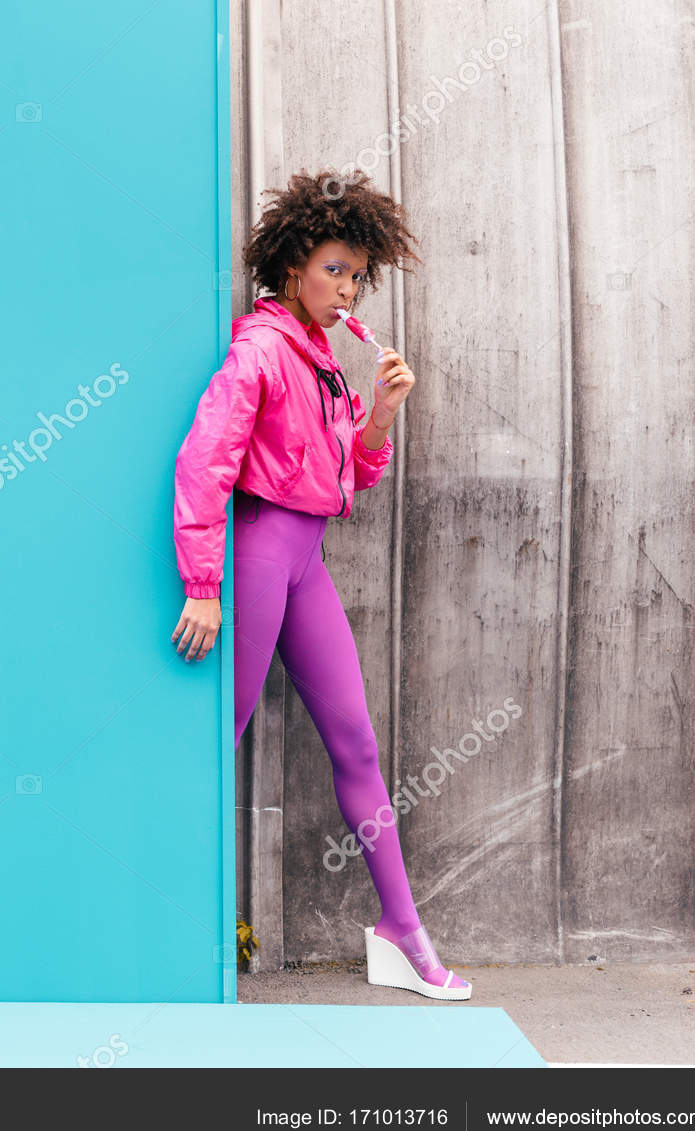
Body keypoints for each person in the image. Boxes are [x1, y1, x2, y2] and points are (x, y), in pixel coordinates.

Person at [170, 168, 470, 1001]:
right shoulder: (263, 347)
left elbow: (351, 478)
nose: (347, 288)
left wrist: (378, 415)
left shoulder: (325, 359)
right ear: (295, 263)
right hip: (262, 550)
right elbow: (204, 465)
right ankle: (159, 925)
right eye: (334, 269)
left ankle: (402, 930)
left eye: (358, 275)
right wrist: (203, 583)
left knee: (357, 745)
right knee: (217, 739)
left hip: (307, 561)